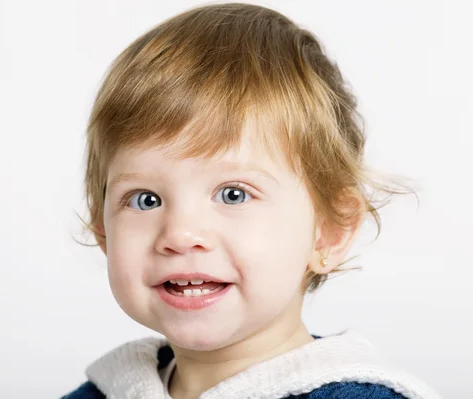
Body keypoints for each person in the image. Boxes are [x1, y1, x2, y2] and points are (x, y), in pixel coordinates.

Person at [62, 3, 442, 398]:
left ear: (328, 232)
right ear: (103, 230)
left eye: (233, 194)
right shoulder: (104, 391)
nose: (180, 233)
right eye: (145, 199)